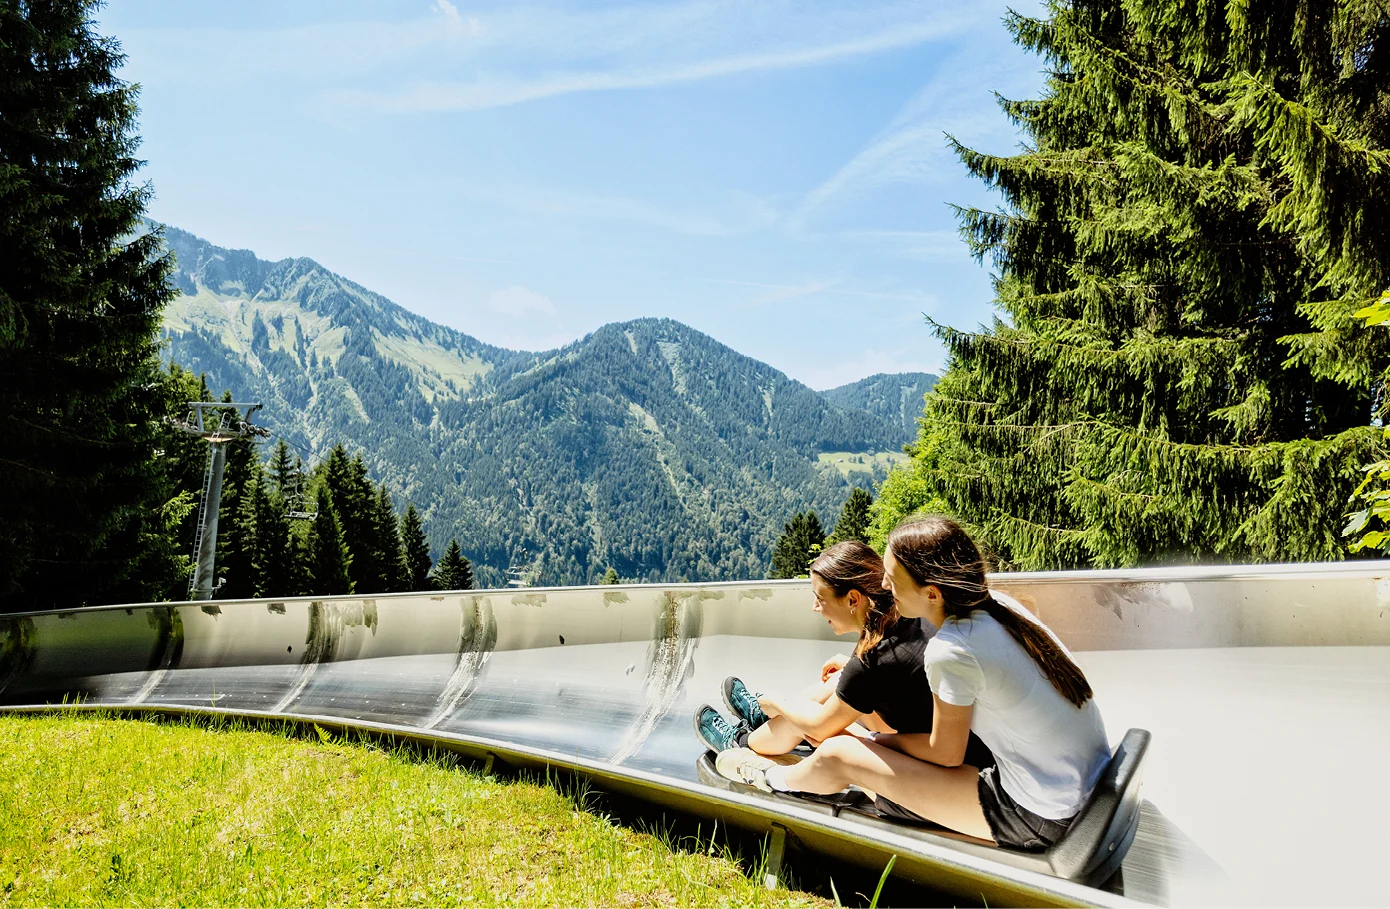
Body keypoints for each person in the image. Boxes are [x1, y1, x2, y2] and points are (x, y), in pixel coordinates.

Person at [714, 516, 1110, 851]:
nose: (884, 588)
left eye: (892, 580)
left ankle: (766, 777)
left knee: (839, 754)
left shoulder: (952, 649)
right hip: (1082, 789)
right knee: (850, 741)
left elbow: (946, 755)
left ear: (932, 592)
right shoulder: (1002, 606)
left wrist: (877, 744)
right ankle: (775, 748)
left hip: (1038, 815)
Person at [694, 539, 991, 820]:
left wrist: (777, 701)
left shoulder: (874, 657)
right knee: (837, 684)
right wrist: (847, 669)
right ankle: (759, 722)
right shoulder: (905, 619)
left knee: (825, 729)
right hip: (950, 751)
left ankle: (745, 740)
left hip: (936, 779)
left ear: (852, 598)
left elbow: (819, 727)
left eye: (819, 598)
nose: (815, 607)